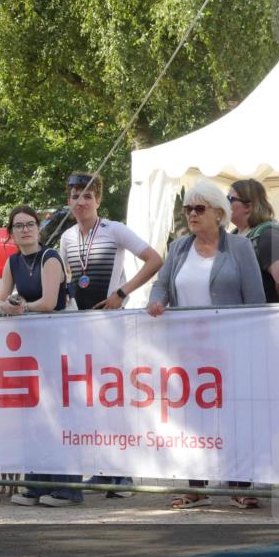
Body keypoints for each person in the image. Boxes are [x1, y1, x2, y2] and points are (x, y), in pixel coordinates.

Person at [147, 180, 265, 510]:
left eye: (199, 209)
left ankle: (240, 485)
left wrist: (253, 342)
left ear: (219, 213)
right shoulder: (179, 248)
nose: (192, 214)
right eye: (188, 209)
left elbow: (255, 298)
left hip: (230, 348)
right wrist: (156, 301)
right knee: (193, 419)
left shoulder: (239, 248)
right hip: (188, 351)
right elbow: (161, 286)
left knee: (234, 416)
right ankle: (195, 486)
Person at [59, 172, 163, 497]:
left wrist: (122, 291)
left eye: (88, 195)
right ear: (69, 201)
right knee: (92, 401)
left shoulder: (114, 230)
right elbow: (67, 281)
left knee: (117, 399)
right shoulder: (66, 238)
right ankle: (104, 469)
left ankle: (125, 476)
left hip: (113, 326)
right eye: (75, 195)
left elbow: (154, 259)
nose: (81, 201)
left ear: (98, 200)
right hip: (82, 329)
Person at [0, 206, 76, 508]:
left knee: (57, 416)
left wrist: (21, 308)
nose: (25, 230)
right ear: (11, 232)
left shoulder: (50, 257)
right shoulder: (12, 262)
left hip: (56, 345)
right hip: (29, 349)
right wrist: (8, 305)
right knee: (33, 417)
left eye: (30, 224)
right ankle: (35, 485)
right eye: (19, 226)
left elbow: (49, 302)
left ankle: (68, 489)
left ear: (38, 228)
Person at [228, 179, 279, 303]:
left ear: (248, 206)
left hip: (265, 318)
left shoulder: (268, 235)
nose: (224, 203)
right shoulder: (233, 235)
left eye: (230, 199)